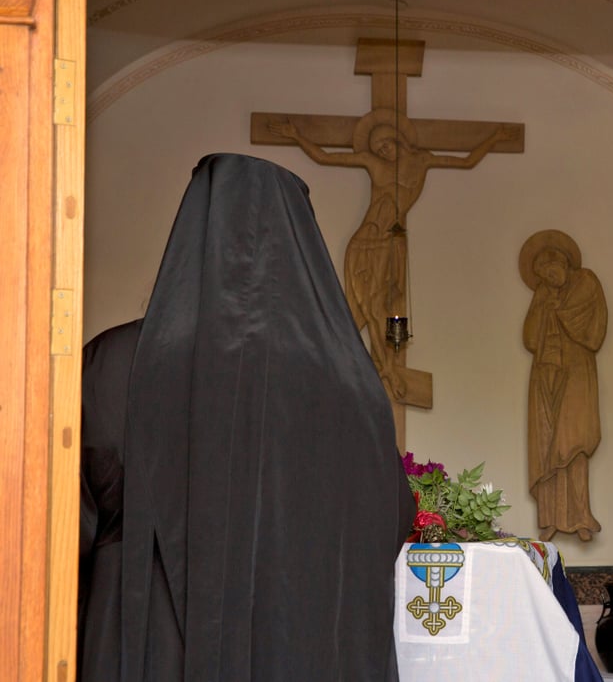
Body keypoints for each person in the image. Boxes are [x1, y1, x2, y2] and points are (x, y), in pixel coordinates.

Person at [77, 153, 417, 681]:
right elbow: (389, 517)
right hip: (302, 639)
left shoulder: (114, 361)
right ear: (302, 250)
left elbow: (67, 516)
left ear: (190, 243)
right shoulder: (351, 386)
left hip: (144, 638)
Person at [268, 113, 517, 401]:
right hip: (366, 243)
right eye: (378, 149)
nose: (384, 152)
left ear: (398, 140)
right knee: (371, 309)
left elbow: (467, 160)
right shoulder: (374, 165)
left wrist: (495, 138)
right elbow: (325, 157)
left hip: (392, 243)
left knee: (368, 311)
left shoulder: (422, 160)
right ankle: (385, 371)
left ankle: (338, 366)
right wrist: (296, 136)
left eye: (386, 145)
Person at [520, 229, 607, 542]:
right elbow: (530, 338)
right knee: (546, 445)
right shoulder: (543, 294)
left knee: (573, 441)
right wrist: (543, 307)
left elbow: (590, 325)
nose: (546, 276)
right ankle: (552, 517)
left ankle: (580, 515)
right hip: (545, 373)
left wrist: (558, 310)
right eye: (541, 273)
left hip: (576, 369)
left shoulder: (585, 281)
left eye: (550, 268)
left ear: (562, 262)